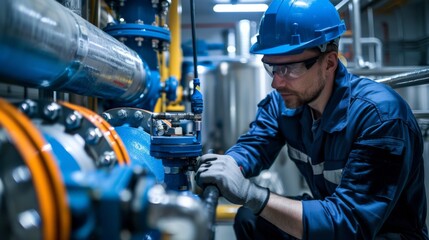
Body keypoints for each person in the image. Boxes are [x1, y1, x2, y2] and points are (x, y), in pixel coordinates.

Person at [195, 0, 428, 239]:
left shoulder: (380, 119)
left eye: (289, 69)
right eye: (272, 69)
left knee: (259, 208)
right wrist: (229, 165)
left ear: (329, 62)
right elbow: (255, 145)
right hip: (331, 220)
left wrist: (252, 194)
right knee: (251, 219)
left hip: (377, 233)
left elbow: (350, 223)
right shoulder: (285, 104)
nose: (276, 83)